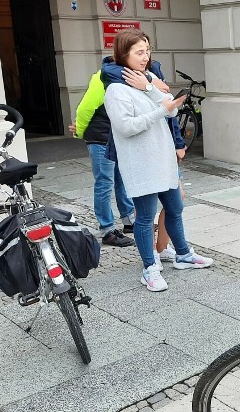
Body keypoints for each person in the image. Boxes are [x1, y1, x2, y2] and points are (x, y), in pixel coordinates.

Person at [104, 29, 212, 292]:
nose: (145, 57)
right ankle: (149, 267)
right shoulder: (116, 91)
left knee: (175, 209)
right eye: (139, 52)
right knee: (144, 218)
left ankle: (183, 254)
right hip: (141, 163)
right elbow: (126, 127)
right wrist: (160, 110)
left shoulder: (147, 80)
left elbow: (172, 111)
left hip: (163, 160)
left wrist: (149, 88)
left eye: (147, 51)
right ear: (123, 54)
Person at [71, 70, 136, 247]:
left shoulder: (130, 75)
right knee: (104, 183)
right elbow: (85, 108)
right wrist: (79, 131)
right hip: (100, 138)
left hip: (116, 138)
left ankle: (129, 221)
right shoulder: (103, 76)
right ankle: (107, 230)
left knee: (122, 179)